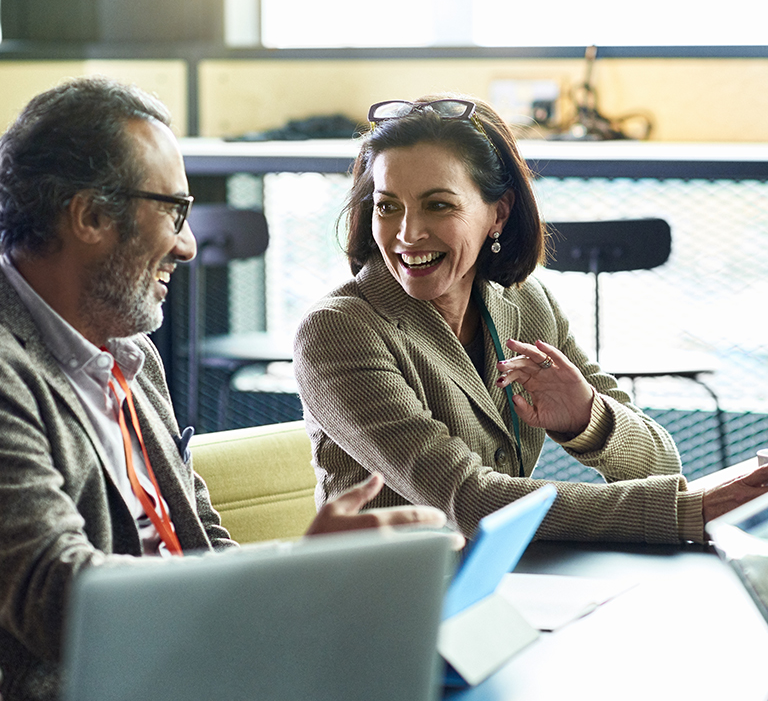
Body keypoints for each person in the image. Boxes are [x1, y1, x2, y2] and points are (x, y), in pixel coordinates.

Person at [0, 78, 447, 701]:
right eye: (174, 211)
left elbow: (201, 544)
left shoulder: (130, 354)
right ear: (90, 216)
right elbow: (58, 598)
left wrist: (304, 591)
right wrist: (297, 575)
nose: (187, 245)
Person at [294, 94, 768, 545]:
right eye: (387, 205)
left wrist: (588, 417)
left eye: (438, 205)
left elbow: (661, 463)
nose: (407, 233)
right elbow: (469, 502)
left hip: (504, 585)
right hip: (384, 604)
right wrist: (687, 512)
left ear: (497, 214)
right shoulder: (339, 330)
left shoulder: (527, 303)